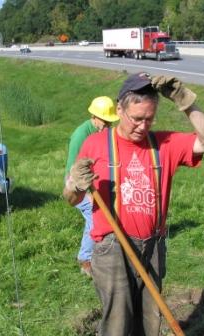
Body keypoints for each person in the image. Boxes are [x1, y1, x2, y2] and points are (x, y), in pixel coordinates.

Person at [63, 73, 204, 335]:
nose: (142, 126)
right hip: (112, 247)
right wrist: (74, 185)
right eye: (136, 118)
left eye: (149, 119)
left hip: (152, 246)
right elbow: (72, 199)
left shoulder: (164, 144)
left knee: (149, 320)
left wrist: (184, 100)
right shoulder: (96, 144)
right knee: (118, 322)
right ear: (120, 109)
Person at [65, 96, 119, 277]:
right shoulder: (81, 135)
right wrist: (85, 192)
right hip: (77, 186)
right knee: (94, 217)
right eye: (104, 122)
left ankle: (107, 248)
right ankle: (85, 259)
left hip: (94, 184)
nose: (106, 126)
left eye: (110, 123)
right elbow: (75, 169)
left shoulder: (102, 132)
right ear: (94, 116)